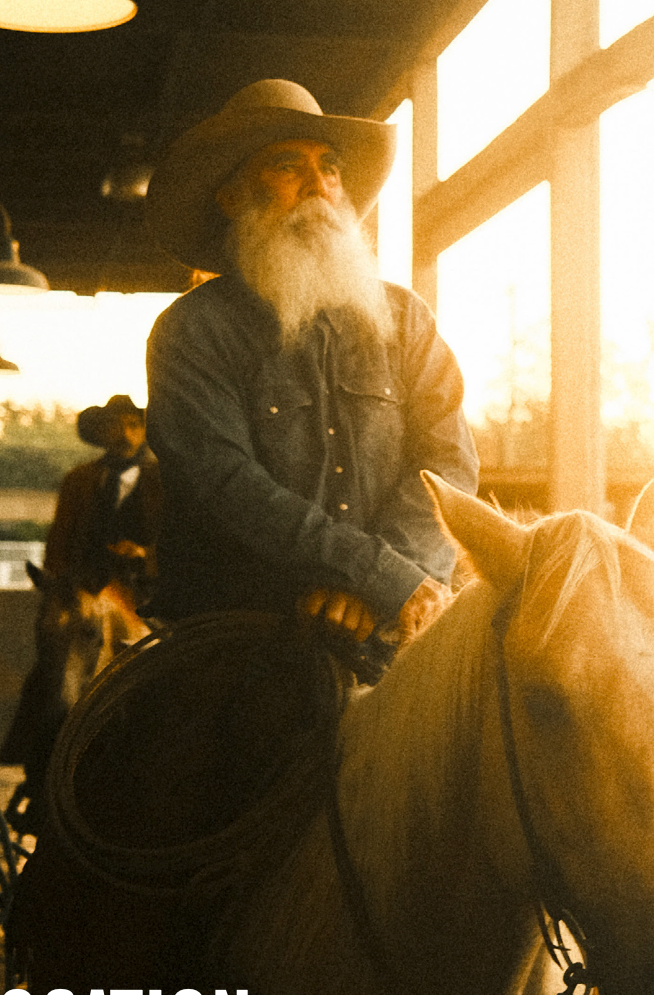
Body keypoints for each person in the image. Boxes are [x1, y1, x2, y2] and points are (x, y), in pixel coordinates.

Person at [141, 78, 478, 658]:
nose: (319, 186)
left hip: (397, 627)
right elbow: (228, 485)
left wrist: (387, 585)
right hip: (236, 638)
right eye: (288, 166)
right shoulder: (191, 332)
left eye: (330, 168)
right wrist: (377, 576)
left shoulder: (406, 319)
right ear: (233, 196)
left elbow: (447, 463)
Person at [41, 393, 162, 604]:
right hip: (88, 593)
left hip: (149, 594)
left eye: (133, 425)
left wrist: (144, 553)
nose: (125, 434)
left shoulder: (164, 481)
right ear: (101, 432)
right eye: (114, 426)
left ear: (145, 431)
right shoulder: (79, 480)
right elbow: (59, 540)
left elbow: (183, 539)